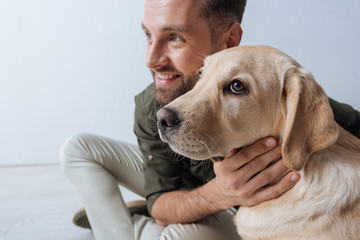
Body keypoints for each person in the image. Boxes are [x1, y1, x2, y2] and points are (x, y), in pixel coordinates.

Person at [60, 0, 360, 239]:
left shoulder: (289, 94)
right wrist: (219, 192)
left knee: (173, 237)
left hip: (237, 212)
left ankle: (137, 227)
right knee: (77, 148)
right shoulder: (158, 102)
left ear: (230, 39)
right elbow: (162, 202)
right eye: (148, 35)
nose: (151, 60)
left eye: (175, 37)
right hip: (203, 195)